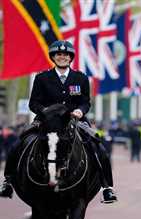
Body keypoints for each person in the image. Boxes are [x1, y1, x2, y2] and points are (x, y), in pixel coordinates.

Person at [0, 40, 118, 203]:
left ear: (71, 58)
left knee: (99, 147)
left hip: (74, 121)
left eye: (65, 55)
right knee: (18, 144)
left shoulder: (81, 78)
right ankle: (8, 181)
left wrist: (80, 110)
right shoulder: (42, 78)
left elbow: (85, 102)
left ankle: (107, 188)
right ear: (53, 57)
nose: (62, 57)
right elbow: (33, 102)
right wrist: (46, 113)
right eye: (58, 54)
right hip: (45, 121)